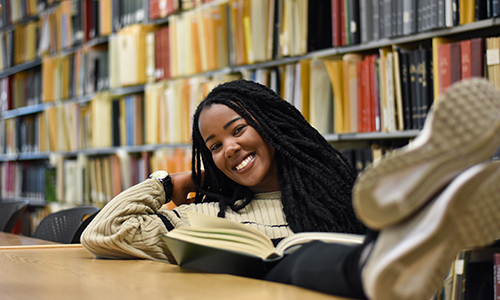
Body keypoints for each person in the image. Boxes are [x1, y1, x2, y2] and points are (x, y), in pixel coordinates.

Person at [265, 77, 500, 300]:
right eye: (224, 145)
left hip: (307, 269)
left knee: (292, 263)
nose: (230, 149)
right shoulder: (228, 204)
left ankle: (402, 234)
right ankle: (413, 223)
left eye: (238, 130)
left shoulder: (317, 188)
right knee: (293, 264)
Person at [81, 79, 365, 262]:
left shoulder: (342, 200)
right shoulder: (201, 219)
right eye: (215, 147)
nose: (229, 149)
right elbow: (105, 233)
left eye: (238, 130)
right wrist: (169, 183)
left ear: (272, 126)